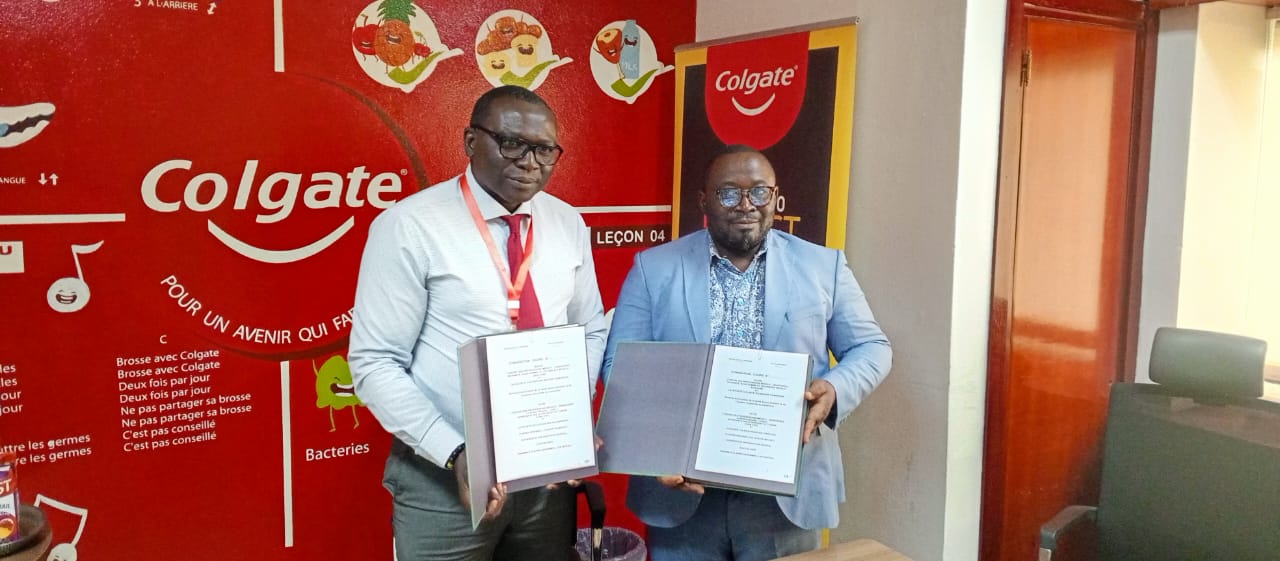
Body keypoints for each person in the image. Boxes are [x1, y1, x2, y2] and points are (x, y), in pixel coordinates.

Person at [349, 85, 608, 561]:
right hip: (444, 479)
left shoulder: (567, 222)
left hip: (545, 479)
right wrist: (455, 452)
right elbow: (375, 362)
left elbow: (590, 327)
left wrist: (569, 415)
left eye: (545, 150)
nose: (530, 162)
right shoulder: (410, 226)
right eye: (512, 143)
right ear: (471, 141)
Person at [602, 145, 893, 561]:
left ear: (775, 197)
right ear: (703, 201)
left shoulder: (822, 266)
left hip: (785, 494)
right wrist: (658, 447)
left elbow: (871, 348)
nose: (745, 205)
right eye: (728, 193)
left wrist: (834, 388)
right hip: (682, 490)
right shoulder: (654, 268)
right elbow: (620, 367)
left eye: (759, 192)